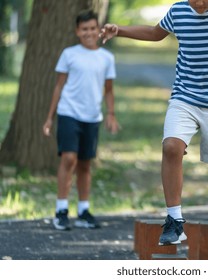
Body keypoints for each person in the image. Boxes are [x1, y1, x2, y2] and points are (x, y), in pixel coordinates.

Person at [100, 0, 208, 245]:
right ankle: (174, 220)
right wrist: (120, 29)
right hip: (185, 96)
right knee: (171, 146)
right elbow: (154, 33)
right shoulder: (179, 11)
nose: (199, 3)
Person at [42, 9, 120, 231]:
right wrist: (49, 117)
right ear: (77, 31)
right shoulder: (69, 54)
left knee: (85, 164)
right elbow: (58, 86)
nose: (89, 32)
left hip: (92, 117)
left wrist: (111, 114)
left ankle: (84, 210)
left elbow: (109, 90)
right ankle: (61, 210)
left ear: (99, 29)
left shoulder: (107, 58)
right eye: (84, 29)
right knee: (69, 159)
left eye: (93, 28)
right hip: (69, 113)